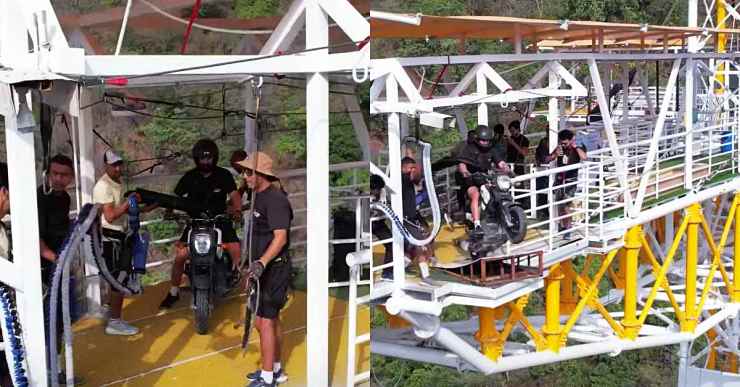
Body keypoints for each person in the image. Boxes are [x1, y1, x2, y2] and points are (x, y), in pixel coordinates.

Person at [160, 139, 242, 309]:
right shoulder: (189, 177)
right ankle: (174, 291)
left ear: (215, 158)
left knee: (235, 248)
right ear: (196, 159)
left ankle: (236, 276)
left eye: (209, 158)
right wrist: (169, 211)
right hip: (195, 223)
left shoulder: (224, 175)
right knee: (180, 256)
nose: (206, 162)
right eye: (202, 158)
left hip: (219, 220)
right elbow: (176, 198)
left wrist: (238, 211)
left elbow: (235, 195)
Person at [239, 152, 293, 387]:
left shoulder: (275, 200)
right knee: (270, 320)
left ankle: (268, 377)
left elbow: (280, 238)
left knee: (265, 323)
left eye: (249, 172)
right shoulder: (256, 196)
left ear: (261, 174)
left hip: (274, 269)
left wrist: (261, 262)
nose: (245, 176)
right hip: (261, 269)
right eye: (244, 172)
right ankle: (277, 369)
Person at [93, 149, 156, 336]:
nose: (118, 168)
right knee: (118, 278)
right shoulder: (103, 186)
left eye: (120, 164)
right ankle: (114, 321)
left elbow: (124, 210)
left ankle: (110, 311)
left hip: (120, 235)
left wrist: (148, 206)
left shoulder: (116, 183)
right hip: (110, 237)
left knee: (118, 275)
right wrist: (129, 202)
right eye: (114, 165)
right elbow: (111, 216)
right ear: (106, 165)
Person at [37, 154, 85, 384]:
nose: (58, 178)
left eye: (63, 175)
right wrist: (54, 259)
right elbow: (34, 237)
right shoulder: (39, 197)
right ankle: (48, 375)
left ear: (71, 177)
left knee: (62, 322)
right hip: (45, 272)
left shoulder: (64, 197)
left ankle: (55, 371)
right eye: (54, 173)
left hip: (61, 268)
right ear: (47, 173)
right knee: (48, 323)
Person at [456, 125, 508, 231]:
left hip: (485, 177)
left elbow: (499, 161)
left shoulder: (491, 149)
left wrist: (504, 166)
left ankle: (495, 216)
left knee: (497, 190)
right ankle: (477, 225)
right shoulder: (469, 149)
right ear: (477, 139)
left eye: (487, 140)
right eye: (482, 140)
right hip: (470, 180)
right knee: (476, 195)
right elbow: (462, 163)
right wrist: (465, 171)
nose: (485, 142)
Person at [544, 130, 587, 235]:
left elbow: (584, 157)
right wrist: (554, 156)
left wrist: (575, 146)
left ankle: (568, 228)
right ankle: (562, 226)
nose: (563, 145)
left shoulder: (578, 148)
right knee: (560, 205)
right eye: (562, 143)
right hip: (559, 180)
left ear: (572, 140)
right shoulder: (559, 148)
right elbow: (546, 159)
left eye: (565, 143)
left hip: (570, 181)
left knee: (566, 206)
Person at [400, 157, 433, 281]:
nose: (413, 170)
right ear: (403, 168)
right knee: (420, 244)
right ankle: (425, 275)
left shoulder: (407, 179)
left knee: (417, 243)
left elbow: (417, 180)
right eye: (411, 168)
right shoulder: (403, 178)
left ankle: (404, 264)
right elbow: (416, 177)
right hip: (406, 218)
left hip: (413, 215)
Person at [534, 134, 551, 220]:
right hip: (542, 170)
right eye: (547, 129)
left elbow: (547, 159)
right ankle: (543, 212)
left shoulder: (557, 141)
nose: (548, 131)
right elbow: (538, 153)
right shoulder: (543, 141)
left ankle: (548, 212)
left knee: (550, 193)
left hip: (551, 170)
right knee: (541, 193)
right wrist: (537, 160)